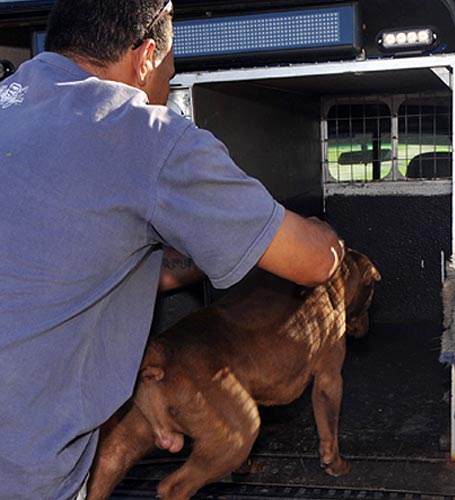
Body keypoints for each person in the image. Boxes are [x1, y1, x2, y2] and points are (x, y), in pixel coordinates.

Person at [0, 0, 344, 498]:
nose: (165, 91)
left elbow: (83, 262)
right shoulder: (141, 131)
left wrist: (213, 250)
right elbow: (314, 262)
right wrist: (329, 235)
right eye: (170, 74)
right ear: (144, 59)